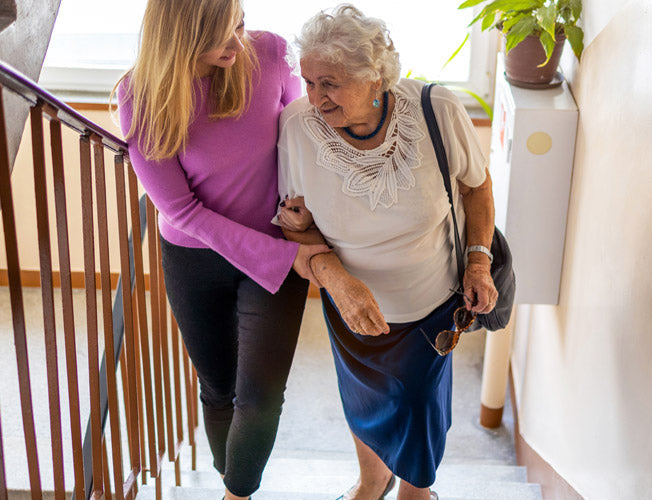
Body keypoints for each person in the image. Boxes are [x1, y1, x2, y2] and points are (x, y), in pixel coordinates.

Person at [274, 5, 498, 500]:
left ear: (374, 76)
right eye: (308, 82)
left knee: (417, 405)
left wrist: (479, 260)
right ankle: (372, 482)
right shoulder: (296, 127)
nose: (315, 98)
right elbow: (298, 225)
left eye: (329, 83)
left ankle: (417, 493)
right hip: (350, 304)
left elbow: (477, 189)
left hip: (432, 301)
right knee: (363, 398)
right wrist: (336, 281)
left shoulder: (438, 110)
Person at [113, 1, 330, 499]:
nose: (237, 43)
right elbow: (182, 211)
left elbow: (301, 139)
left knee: (260, 398)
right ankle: (234, 476)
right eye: (220, 35)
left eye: (239, 24)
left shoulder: (270, 52)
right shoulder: (139, 96)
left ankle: (236, 492)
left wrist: (304, 220)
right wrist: (287, 257)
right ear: (181, 35)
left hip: (277, 251)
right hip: (195, 257)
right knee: (218, 392)